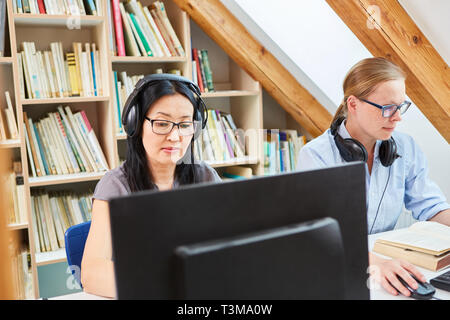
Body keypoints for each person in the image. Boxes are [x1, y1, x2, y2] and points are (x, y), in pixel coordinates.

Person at [296, 57, 450, 297]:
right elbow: (322, 233)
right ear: (354, 104)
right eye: (388, 108)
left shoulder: (405, 147)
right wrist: (375, 264)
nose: (397, 117)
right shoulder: (316, 156)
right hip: (337, 268)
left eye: (401, 107)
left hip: (389, 267)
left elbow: (431, 207)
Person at [81, 74, 221, 298]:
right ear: (136, 124)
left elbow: (225, 249)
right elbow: (91, 274)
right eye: (162, 123)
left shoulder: (205, 177)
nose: (175, 136)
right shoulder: (116, 185)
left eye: (185, 124)